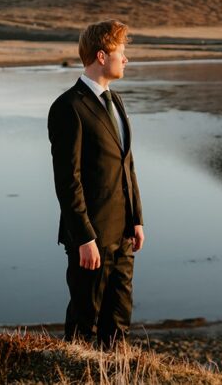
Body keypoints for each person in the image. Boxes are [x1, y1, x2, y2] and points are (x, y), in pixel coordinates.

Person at [48, 20, 145, 346]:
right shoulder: (68, 107)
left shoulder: (115, 102)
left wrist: (137, 220)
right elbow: (67, 181)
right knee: (83, 325)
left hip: (123, 236)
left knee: (119, 324)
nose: (126, 59)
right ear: (101, 56)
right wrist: (84, 237)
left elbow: (126, 166)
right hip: (90, 238)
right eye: (122, 52)